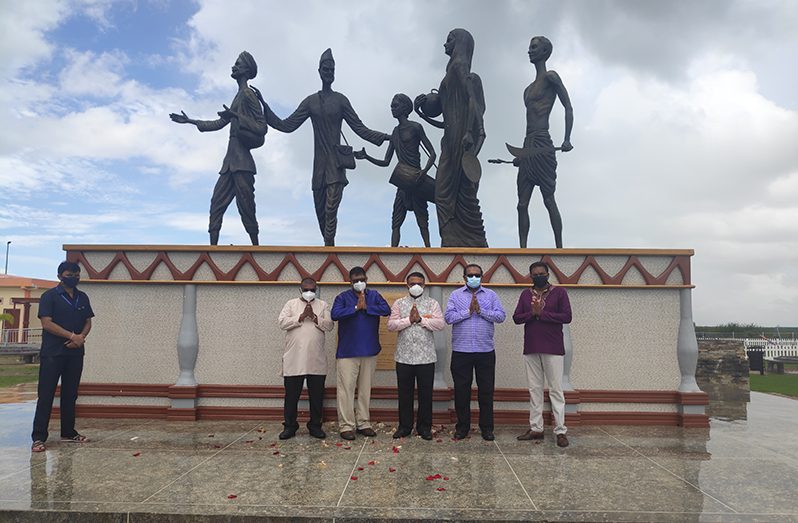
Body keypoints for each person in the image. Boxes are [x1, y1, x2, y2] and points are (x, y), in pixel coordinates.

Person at [263, 49, 390, 246]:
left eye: (332, 69)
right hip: (318, 167)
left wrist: (386, 137)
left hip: (336, 167)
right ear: (319, 71)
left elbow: (359, 128)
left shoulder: (341, 100)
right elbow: (286, 125)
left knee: (331, 210)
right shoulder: (310, 102)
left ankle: (329, 253)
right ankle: (328, 251)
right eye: (326, 69)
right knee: (321, 213)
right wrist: (264, 107)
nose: (329, 72)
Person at [170, 51, 267, 246]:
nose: (233, 67)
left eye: (238, 64)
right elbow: (219, 123)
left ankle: (257, 249)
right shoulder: (238, 96)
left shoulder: (248, 95)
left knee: (246, 207)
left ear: (246, 70)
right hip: (229, 163)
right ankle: (213, 250)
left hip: (243, 165)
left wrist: (237, 116)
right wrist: (190, 121)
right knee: (216, 205)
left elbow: (262, 127)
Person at [415, 28, 488, 247]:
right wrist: (422, 113)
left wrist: (471, 131)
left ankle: (465, 238)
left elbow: (472, 100)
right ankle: (455, 237)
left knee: (449, 191)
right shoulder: (450, 72)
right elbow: (446, 121)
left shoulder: (459, 67)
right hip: (451, 137)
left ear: (459, 44)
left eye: (449, 41)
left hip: (460, 138)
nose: (445, 45)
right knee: (448, 190)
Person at [355, 94, 437, 247]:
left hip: (416, 179)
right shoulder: (395, 132)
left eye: (395, 105)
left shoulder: (416, 127)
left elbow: (432, 153)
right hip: (402, 181)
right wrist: (366, 156)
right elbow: (386, 162)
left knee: (422, 221)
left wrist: (424, 171)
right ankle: (393, 252)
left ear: (404, 107)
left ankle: (428, 249)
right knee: (396, 222)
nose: (392, 108)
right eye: (391, 106)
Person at [515, 36, 573, 248]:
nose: (529, 51)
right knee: (522, 204)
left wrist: (567, 138)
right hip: (528, 143)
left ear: (545, 52)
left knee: (548, 200)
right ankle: (522, 249)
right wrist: (521, 154)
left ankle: (559, 247)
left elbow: (568, 106)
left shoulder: (551, 77)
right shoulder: (528, 90)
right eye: (529, 47)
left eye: (534, 48)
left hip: (543, 141)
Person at [31, 261, 94, 452]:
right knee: (46, 394)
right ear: (59, 276)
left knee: (70, 394)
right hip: (53, 353)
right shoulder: (49, 296)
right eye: (69, 274)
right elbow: (47, 323)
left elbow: (88, 322)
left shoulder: (82, 297)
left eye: (77, 274)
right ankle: (39, 437)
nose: (74, 277)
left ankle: (68, 432)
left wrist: (80, 338)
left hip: (75, 352)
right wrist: (71, 336)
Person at [512, 261, 572, 448]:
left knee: (556, 390)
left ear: (547, 274)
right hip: (531, 347)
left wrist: (542, 314)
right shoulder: (525, 294)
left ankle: (560, 430)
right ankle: (536, 428)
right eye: (535, 274)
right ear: (530, 276)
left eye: (542, 273)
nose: (539, 276)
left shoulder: (559, 292)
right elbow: (516, 318)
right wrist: (532, 313)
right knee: (534, 390)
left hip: (553, 348)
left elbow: (567, 316)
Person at [444, 263, 505, 440]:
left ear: (482, 276)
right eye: (470, 275)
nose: (473, 278)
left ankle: (487, 428)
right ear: (464, 277)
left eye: (477, 275)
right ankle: (463, 427)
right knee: (461, 391)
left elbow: (501, 316)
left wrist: (482, 311)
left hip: (485, 350)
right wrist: (468, 311)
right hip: (461, 351)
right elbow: (448, 318)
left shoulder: (491, 295)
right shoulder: (455, 295)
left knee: (486, 391)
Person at [331, 266, 391, 439]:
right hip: (347, 352)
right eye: (355, 280)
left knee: (365, 390)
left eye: (362, 279)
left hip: (369, 350)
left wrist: (367, 307)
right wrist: (356, 307)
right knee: (345, 390)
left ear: (367, 279)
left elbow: (386, 310)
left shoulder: (374, 296)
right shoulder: (342, 297)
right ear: (349, 281)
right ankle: (346, 426)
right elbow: (334, 314)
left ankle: (363, 423)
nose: (359, 283)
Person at [386, 272, 445, 439]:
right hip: (404, 357)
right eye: (412, 283)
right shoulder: (399, 303)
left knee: (426, 394)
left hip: (426, 357)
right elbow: (391, 325)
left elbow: (440, 324)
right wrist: (408, 321)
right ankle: (404, 427)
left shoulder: (432, 303)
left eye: (419, 283)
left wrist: (420, 320)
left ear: (424, 285)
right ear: (407, 285)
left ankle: (424, 428)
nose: (416, 286)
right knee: (405, 394)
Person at [277, 277, 334, 439]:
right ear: (300, 289)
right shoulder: (291, 304)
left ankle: (315, 426)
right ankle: (290, 426)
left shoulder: (323, 305)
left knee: (316, 396)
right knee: (291, 396)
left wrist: (315, 318)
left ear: (316, 290)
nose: (310, 292)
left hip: (316, 358)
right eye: (306, 289)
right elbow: (282, 323)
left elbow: (329, 325)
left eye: (313, 289)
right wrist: (301, 317)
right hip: (294, 358)